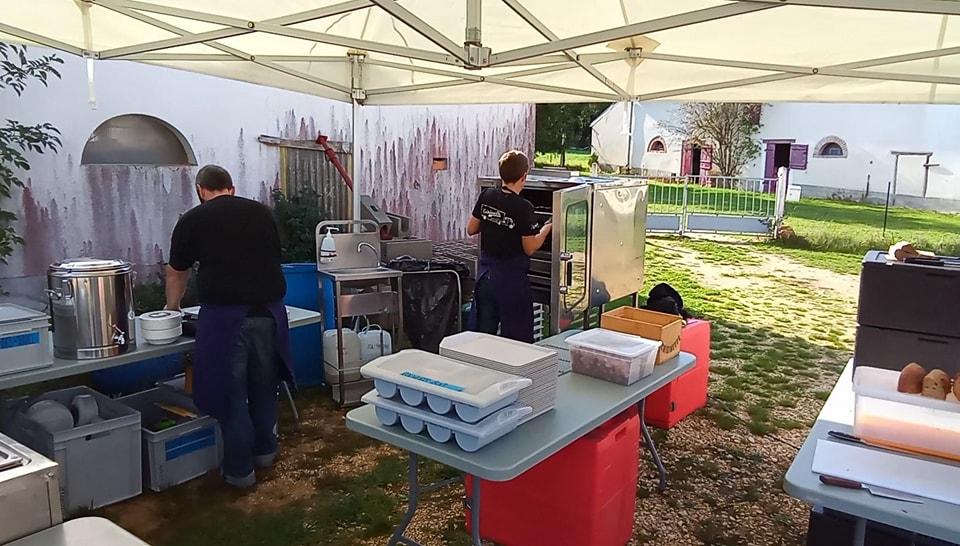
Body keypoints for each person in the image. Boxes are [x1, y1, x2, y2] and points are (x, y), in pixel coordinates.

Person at [165, 164, 292, 488]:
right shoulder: (262, 213)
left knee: (230, 394)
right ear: (231, 188)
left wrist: (172, 308)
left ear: (200, 190)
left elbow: (177, 271)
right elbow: (273, 256)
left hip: (225, 318)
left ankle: (239, 472)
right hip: (269, 313)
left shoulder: (193, 219)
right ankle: (265, 453)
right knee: (265, 386)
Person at [467, 150, 551, 343]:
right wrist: (546, 228)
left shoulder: (487, 195)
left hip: (486, 277)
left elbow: (471, 229)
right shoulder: (524, 207)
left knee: (482, 337)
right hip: (511, 282)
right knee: (515, 341)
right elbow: (530, 248)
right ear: (524, 176)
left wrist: (492, 221)